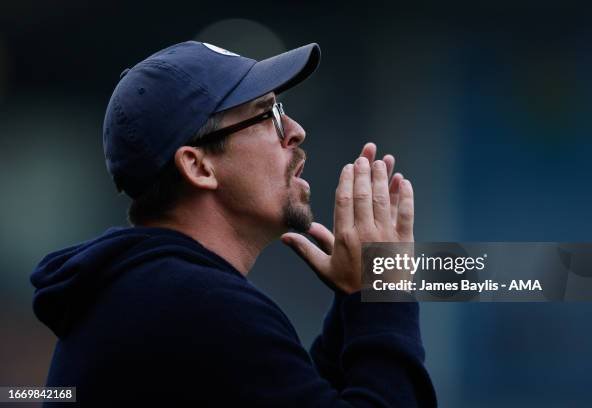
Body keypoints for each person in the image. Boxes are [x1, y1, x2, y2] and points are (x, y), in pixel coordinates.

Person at [31, 40, 437, 406]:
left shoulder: (154, 294)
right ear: (198, 165)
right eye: (268, 114)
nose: (295, 131)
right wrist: (385, 291)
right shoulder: (194, 305)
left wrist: (355, 303)